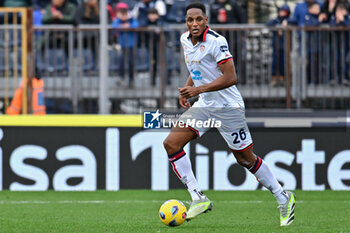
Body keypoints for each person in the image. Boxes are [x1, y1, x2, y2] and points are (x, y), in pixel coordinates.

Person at [162, 2, 295, 226]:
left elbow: (231, 78)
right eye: (190, 20)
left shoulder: (216, 41)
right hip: (204, 105)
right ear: (186, 22)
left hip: (228, 107)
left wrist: (197, 90)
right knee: (171, 144)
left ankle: (282, 196)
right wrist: (188, 89)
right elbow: (196, 68)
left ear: (206, 20)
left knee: (244, 159)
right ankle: (198, 197)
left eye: (198, 19)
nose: (194, 23)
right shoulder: (185, 39)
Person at [112, 2, 139, 86]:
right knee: (121, 62)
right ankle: (122, 78)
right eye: (122, 14)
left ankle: (131, 79)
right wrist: (125, 26)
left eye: (125, 14)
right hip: (122, 45)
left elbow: (136, 26)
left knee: (131, 62)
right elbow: (114, 27)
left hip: (131, 45)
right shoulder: (117, 20)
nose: (124, 16)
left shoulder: (132, 20)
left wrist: (127, 26)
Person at [266, 4, 291, 86]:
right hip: (276, 46)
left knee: (285, 63)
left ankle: (285, 79)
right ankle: (275, 79)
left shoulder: (289, 20)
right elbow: (269, 23)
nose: (282, 13)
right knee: (275, 63)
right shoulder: (276, 20)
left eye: (284, 12)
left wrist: (287, 23)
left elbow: (294, 22)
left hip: (286, 46)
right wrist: (278, 27)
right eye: (281, 11)